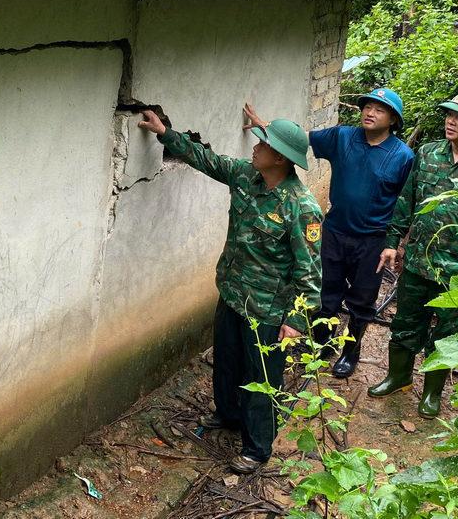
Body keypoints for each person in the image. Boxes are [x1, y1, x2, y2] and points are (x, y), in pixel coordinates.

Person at [137, 110, 322, 473]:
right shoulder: (246, 176)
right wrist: (166, 133)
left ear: (280, 158)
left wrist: (296, 321)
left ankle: (257, 447)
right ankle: (228, 414)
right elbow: (208, 160)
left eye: (263, 144)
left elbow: (310, 271)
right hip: (234, 294)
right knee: (227, 361)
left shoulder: (301, 207)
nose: (255, 148)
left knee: (261, 379)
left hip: (268, 311)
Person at [243, 89, 414, 378]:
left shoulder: (403, 156)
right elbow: (300, 138)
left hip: (372, 239)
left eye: (380, 110)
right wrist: (266, 127)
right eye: (367, 107)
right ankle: (321, 344)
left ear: (393, 120)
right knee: (325, 292)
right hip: (334, 231)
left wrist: (393, 244)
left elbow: (405, 202)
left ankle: (351, 351)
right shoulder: (343, 137)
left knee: (362, 300)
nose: (370, 113)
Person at [368, 92, 458, 417]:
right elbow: (406, 200)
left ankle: (431, 393)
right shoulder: (428, 154)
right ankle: (398, 377)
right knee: (404, 324)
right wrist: (392, 242)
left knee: (446, 336)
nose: (450, 121)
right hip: (416, 264)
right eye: (449, 115)